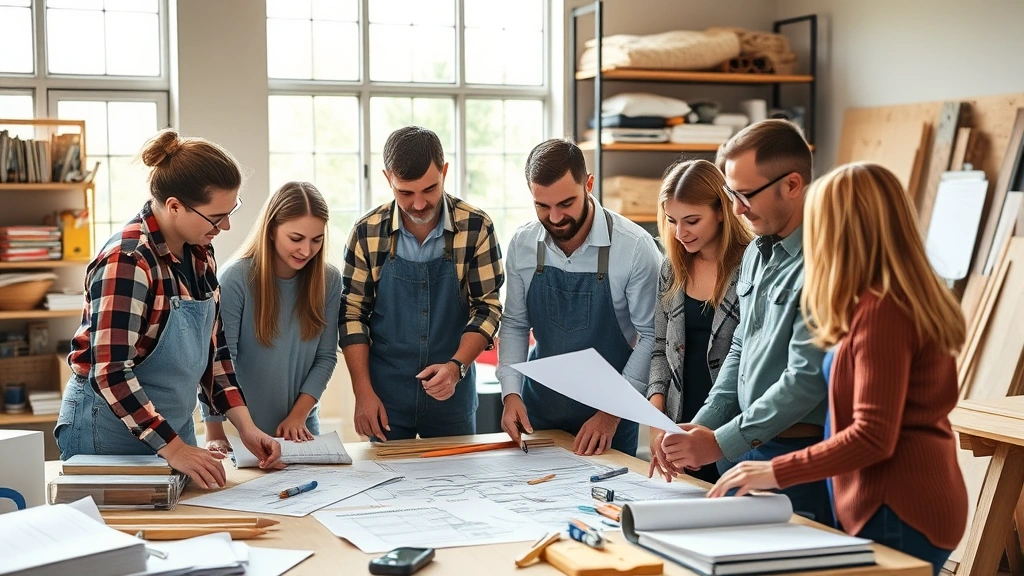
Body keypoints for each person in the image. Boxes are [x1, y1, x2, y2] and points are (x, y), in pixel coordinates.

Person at [708, 162, 969, 574]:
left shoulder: (884, 310)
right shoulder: (890, 296)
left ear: (841, 228)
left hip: (897, 505)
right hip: (904, 498)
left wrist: (774, 470)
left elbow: (872, 436)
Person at [55, 129, 282, 489]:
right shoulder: (128, 262)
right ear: (174, 206)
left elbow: (215, 353)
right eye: (215, 216)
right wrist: (175, 449)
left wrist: (246, 427)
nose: (226, 226)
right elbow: (109, 371)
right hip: (108, 433)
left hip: (170, 432)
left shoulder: (200, 252)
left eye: (231, 210)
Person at [660, 119, 832, 525]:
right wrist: (700, 429)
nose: (736, 208)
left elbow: (805, 379)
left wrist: (719, 441)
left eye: (745, 194)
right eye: (732, 194)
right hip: (740, 451)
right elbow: (741, 347)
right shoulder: (756, 253)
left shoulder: (825, 261)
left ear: (792, 184)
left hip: (793, 457)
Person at [498, 139, 662, 457]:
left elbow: (653, 337)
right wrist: (510, 394)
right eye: (542, 206)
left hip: (607, 421)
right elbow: (516, 324)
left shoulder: (635, 248)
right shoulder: (523, 244)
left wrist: (611, 414)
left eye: (566, 203)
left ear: (588, 184)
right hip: (538, 412)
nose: (556, 217)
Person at [340, 126, 504, 441]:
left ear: (444, 171)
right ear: (388, 179)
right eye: (405, 192)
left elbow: (487, 307)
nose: (418, 204)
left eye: (429, 189)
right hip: (385, 397)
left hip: (452, 396)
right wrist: (363, 393)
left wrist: (456, 367)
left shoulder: (476, 227)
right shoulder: (366, 233)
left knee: (455, 487)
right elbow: (352, 316)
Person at [203, 182, 341, 451]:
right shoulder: (236, 279)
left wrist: (298, 416)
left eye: (317, 240)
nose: (306, 250)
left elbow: (326, 357)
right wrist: (214, 431)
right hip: (239, 433)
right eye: (296, 238)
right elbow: (218, 361)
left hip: (300, 431)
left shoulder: (330, 280)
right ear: (271, 231)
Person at [646, 159, 752, 484]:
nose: (680, 233)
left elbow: (747, 356)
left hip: (732, 425)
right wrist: (656, 422)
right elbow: (660, 350)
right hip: (679, 420)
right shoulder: (670, 269)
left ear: (722, 210)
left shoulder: (752, 263)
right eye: (672, 221)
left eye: (692, 220)